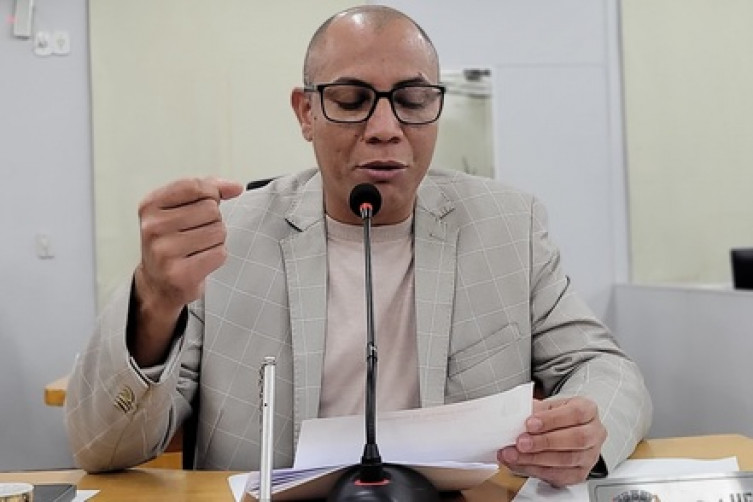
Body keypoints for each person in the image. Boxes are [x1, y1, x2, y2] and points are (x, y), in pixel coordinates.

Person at [65, 5, 652, 488]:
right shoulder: (226, 240)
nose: (385, 128)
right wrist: (155, 300)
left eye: (413, 101)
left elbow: (605, 368)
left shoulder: (507, 226)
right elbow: (102, 447)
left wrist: (586, 427)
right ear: (306, 112)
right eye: (351, 100)